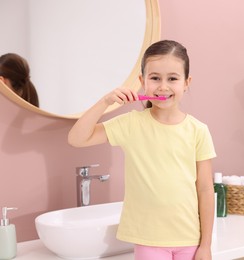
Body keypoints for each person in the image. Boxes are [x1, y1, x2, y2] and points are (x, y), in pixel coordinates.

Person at [68, 40, 216, 260]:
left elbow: (205, 190)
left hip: (190, 239)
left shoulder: (198, 131)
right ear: (142, 81)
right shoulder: (131, 124)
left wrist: (205, 245)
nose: (163, 86)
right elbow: (77, 139)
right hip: (149, 240)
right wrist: (105, 101)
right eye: (155, 78)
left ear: (186, 82)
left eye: (172, 79)